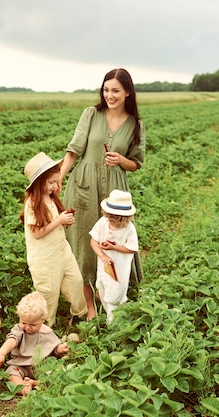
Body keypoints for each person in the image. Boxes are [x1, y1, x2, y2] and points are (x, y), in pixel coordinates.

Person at [60, 68, 146, 320]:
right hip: (84, 185)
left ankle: (112, 295)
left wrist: (121, 159)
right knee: (84, 244)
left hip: (115, 190)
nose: (110, 95)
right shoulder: (91, 114)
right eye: (106, 89)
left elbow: (136, 163)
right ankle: (89, 306)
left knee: (116, 240)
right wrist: (60, 175)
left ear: (128, 92)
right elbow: (74, 150)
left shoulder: (135, 124)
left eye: (115, 90)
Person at [21, 152, 88, 327]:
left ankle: (80, 317)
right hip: (45, 258)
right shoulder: (32, 204)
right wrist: (59, 220)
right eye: (51, 183)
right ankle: (44, 328)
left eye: (56, 182)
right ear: (39, 182)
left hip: (61, 251)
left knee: (75, 282)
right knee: (48, 294)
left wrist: (64, 220)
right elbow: (37, 233)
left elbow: (53, 224)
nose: (55, 186)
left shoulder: (50, 198)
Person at [0, 291, 69, 394]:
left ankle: (35, 383)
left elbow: (54, 347)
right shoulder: (19, 330)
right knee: (11, 373)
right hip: (21, 366)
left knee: (56, 372)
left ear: (42, 320)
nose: (27, 327)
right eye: (23, 323)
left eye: (33, 325)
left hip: (42, 366)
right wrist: (1, 354)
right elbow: (12, 340)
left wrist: (60, 349)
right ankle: (23, 389)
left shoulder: (47, 332)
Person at [89, 189, 138, 323]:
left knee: (115, 297)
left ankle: (114, 325)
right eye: (110, 217)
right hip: (104, 268)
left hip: (119, 270)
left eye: (116, 219)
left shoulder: (129, 229)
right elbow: (93, 241)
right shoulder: (103, 222)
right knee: (103, 290)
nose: (112, 222)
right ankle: (112, 318)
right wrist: (103, 256)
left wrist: (113, 247)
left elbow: (132, 249)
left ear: (124, 218)